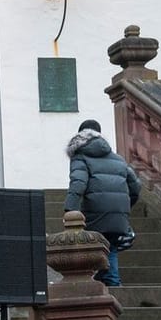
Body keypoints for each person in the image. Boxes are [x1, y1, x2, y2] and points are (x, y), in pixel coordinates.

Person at [63, 119, 141, 287]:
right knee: (109, 247)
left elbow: (78, 183)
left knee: (95, 248)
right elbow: (135, 186)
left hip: (94, 211)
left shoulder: (80, 156)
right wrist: (124, 207)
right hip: (118, 212)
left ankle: (111, 285)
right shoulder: (118, 159)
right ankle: (106, 282)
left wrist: (70, 209)